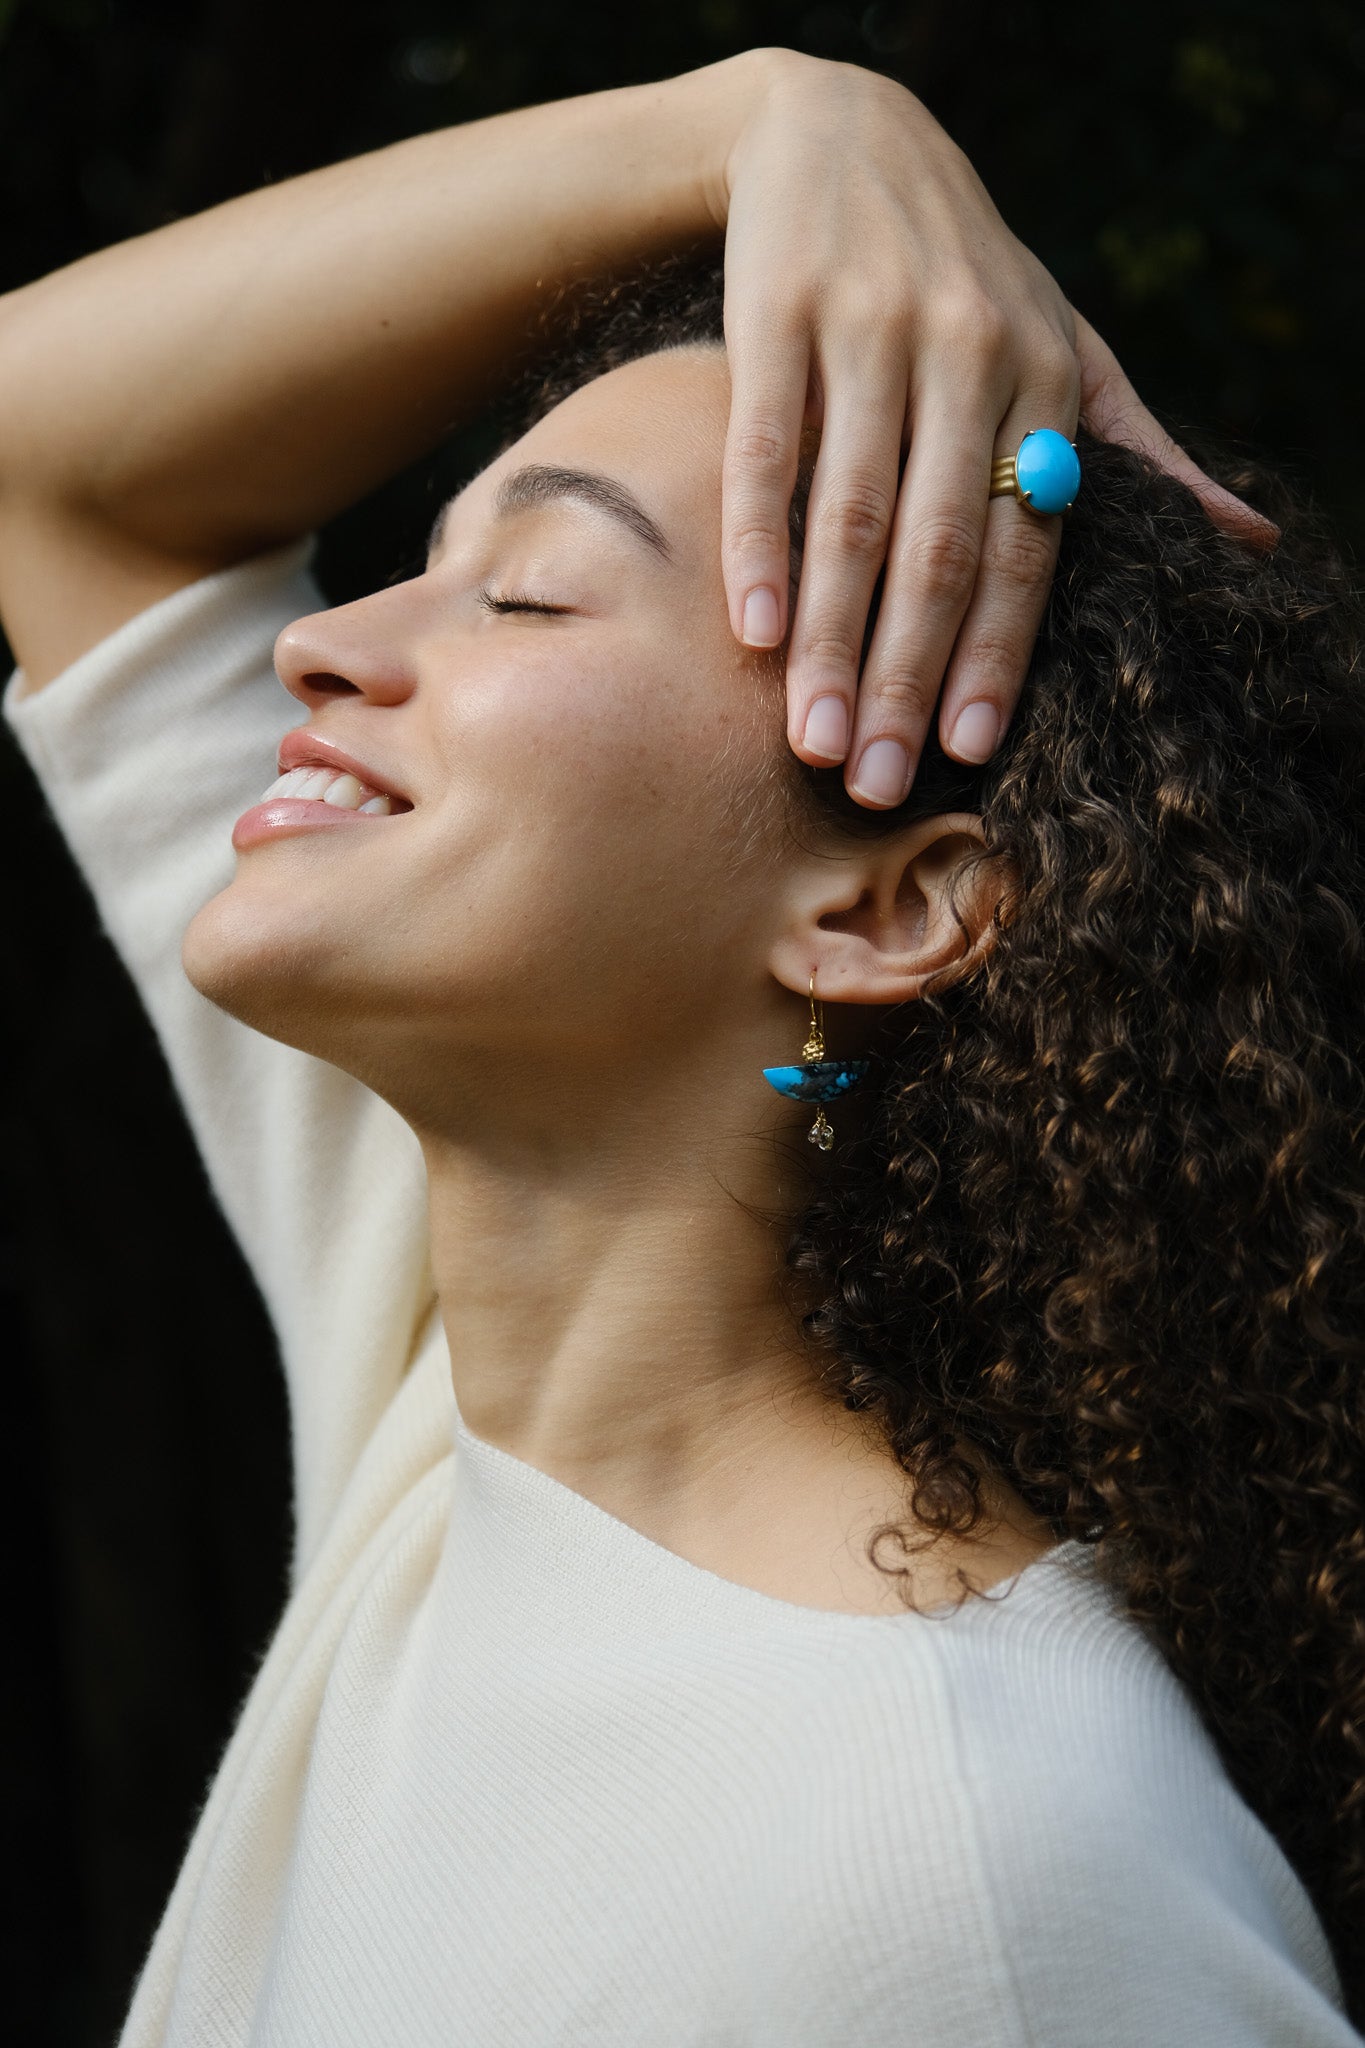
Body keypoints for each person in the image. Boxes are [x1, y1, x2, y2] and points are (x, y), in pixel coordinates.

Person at [2, 45, 1361, 2048]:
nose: (329, 640)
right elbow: (56, 459)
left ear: (882, 908)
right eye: (432, 559)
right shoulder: (453, 1356)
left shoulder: (964, 1881)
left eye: (530, 596)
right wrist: (757, 125)